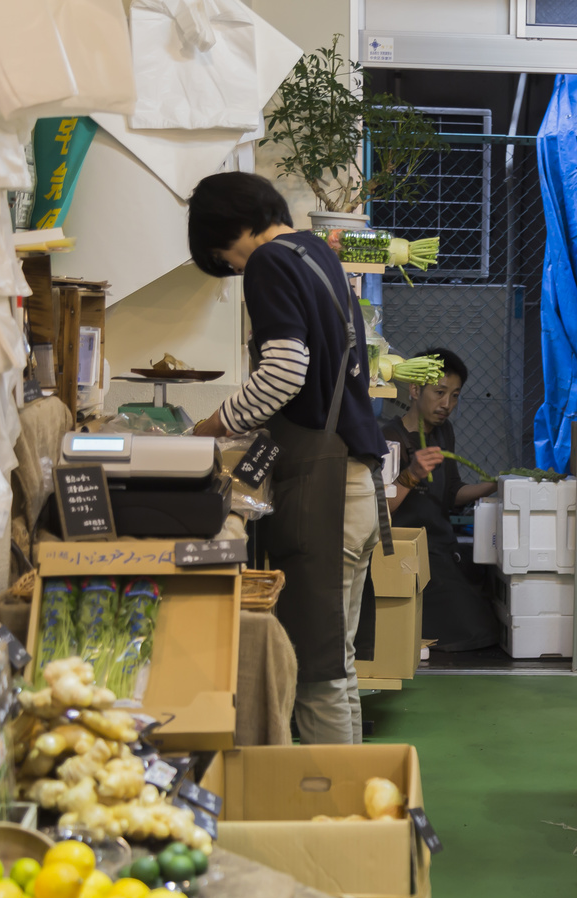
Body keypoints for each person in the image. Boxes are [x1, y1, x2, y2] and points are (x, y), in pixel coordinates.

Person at [187, 172, 388, 744]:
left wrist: (215, 425)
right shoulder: (316, 254)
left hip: (323, 493)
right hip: (355, 482)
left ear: (230, 232)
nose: (231, 268)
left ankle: (329, 810)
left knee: (314, 670)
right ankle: (351, 801)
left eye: (222, 257)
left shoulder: (271, 262)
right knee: (336, 663)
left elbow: (283, 372)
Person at [382, 349, 501, 652]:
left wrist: (492, 486)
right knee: (476, 632)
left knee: (489, 619)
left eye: (455, 395)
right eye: (439, 393)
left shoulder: (443, 432)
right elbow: (381, 509)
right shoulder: (390, 438)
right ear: (415, 389)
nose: (447, 404)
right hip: (407, 555)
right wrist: (411, 474)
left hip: (440, 550)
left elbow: (452, 492)